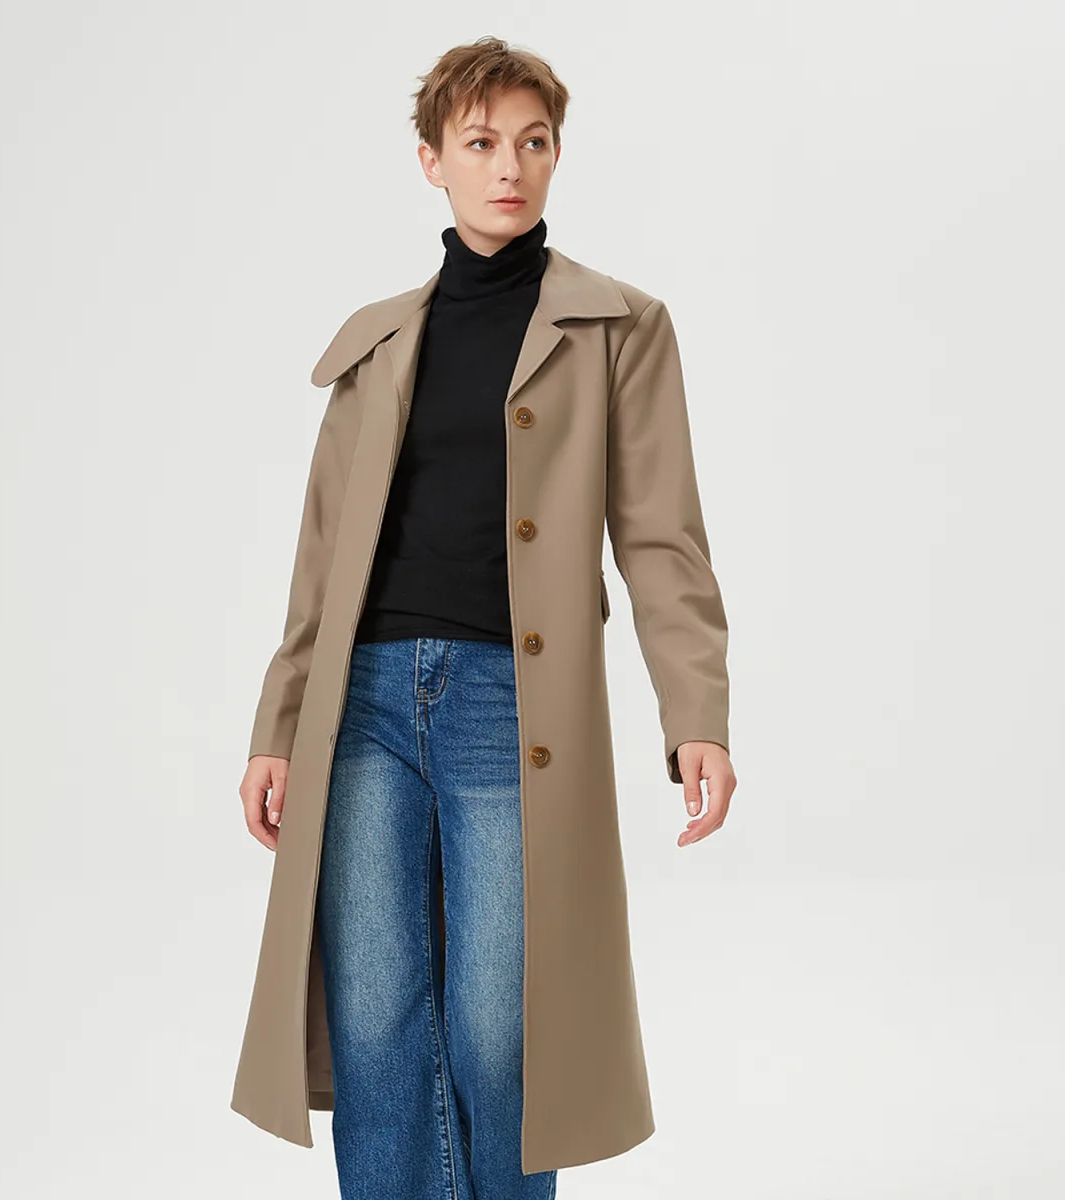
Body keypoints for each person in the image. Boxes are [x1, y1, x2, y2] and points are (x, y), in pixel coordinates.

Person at [233, 35, 738, 1200]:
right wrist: (278, 726)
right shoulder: (376, 344)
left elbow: (662, 537)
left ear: (557, 155)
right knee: (375, 1025)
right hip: (363, 704)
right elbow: (322, 562)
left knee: (501, 1030)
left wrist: (697, 714)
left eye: (533, 141)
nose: (508, 166)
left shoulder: (620, 329)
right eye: (480, 143)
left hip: (509, 706)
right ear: (432, 161)